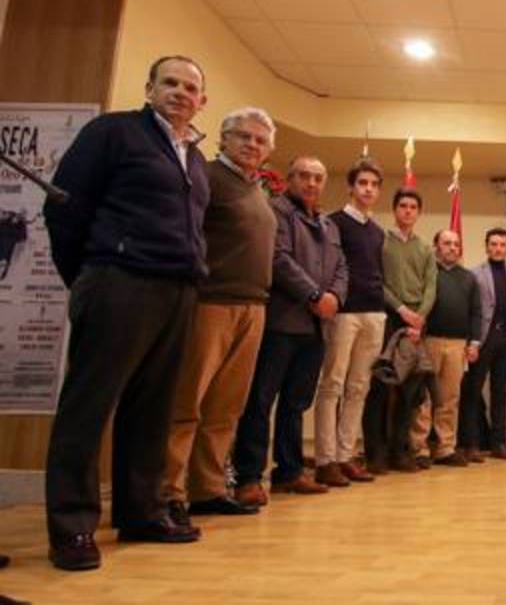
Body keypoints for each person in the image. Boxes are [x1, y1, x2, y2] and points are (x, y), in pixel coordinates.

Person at [44, 56, 211, 570]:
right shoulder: (113, 133)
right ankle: (72, 526)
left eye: (190, 88)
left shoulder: (194, 157)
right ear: (149, 88)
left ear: (201, 101)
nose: (180, 93)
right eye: (170, 83)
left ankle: (141, 512)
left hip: (177, 288)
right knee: (89, 406)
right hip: (119, 281)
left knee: (153, 407)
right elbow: (64, 207)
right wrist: (90, 275)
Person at [161, 108, 276, 529]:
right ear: (224, 138)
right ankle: (169, 492)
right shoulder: (206, 176)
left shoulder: (257, 188)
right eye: (243, 136)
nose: (252, 145)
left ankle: (207, 488)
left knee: (226, 406)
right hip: (210, 303)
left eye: (260, 140)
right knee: (186, 401)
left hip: (253, 305)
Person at [232, 156, 347, 502]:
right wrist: (313, 295)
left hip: (315, 329)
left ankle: (289, 472)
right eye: (304, 176)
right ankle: (249, 477)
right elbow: (278, 258)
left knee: (296, 403)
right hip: (281, 322)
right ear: (290, 178)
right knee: (260, 400)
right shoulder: (275, 212)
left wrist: (335, 297)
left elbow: (342, 267)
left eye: (318, 178)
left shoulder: (329, 225)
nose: (312, 183)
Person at [313, 159, 385, 487]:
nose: (368, 189)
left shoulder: (378, 232)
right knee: (333, 385)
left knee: (359, 387)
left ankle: (345, 456)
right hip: (343, 313)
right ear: (351, 187)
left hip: (374, 313)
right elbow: (328, 266)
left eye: (374, 184)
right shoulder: (333, 223)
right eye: (362, 183)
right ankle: (325, 460)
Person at [364, 188, 437, 472]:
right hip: (389, 320)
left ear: (418, 213)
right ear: (395, 210)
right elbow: (378, 281)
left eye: (413, 207)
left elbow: (431, 287)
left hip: (417, 325)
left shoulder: (425, 249)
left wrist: (419, 317)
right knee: (381, 388)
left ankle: (400, 452)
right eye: (403, 206)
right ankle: (376, 453)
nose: (408, 211)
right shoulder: (382, 243)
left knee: (410, 392)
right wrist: (401, 310)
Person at [460, 228, 506, 461]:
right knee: (472, 392)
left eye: (502, 245)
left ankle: (499, 444)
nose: (498, 249)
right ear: (487, 247)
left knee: (500, 393)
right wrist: (472, 341)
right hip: (482, 340)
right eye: (494, 244)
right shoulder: (474, 274)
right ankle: (471, 444)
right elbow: (471, 311)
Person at [419, 229, 481, 467]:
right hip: (428, 341)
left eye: (456, 244)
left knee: (449, 398)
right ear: (436, 246)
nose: (452, 248)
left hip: (458, 345)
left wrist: (474, 342)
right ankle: (420, 448)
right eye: (447, 243)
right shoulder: (427, 273)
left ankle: (445, 448)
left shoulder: (468, 278)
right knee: (423, 397)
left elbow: (476, 312)